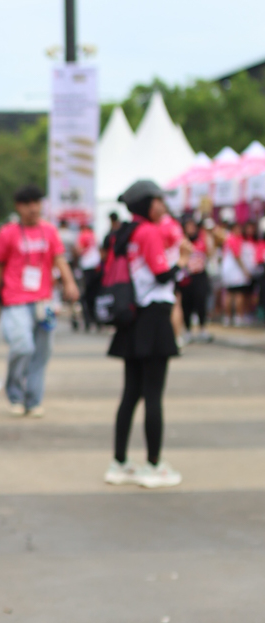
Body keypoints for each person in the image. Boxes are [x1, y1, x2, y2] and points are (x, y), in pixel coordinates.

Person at [104, 178, 183, 488]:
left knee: (130, 394)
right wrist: (183, 264)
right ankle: (153, 465)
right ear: (147, 204)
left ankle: (119, 462)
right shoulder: (149, 231)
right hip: (154, 317)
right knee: (153, 395)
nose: (162, 205)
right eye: (158, 200)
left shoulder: (126, 232)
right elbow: (162, 273)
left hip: (132, 318)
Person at [0, 185, 80, 417]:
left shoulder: (49, 231)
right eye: (28, 204)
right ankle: (15, 393)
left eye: (37, 203)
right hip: (15, 300)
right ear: (19, 207)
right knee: (23, 346)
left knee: (42, 353)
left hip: (44, 301)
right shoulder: (8, 232)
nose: (33, 208)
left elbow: (59, 259)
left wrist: (69, 283)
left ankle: (33, 400)